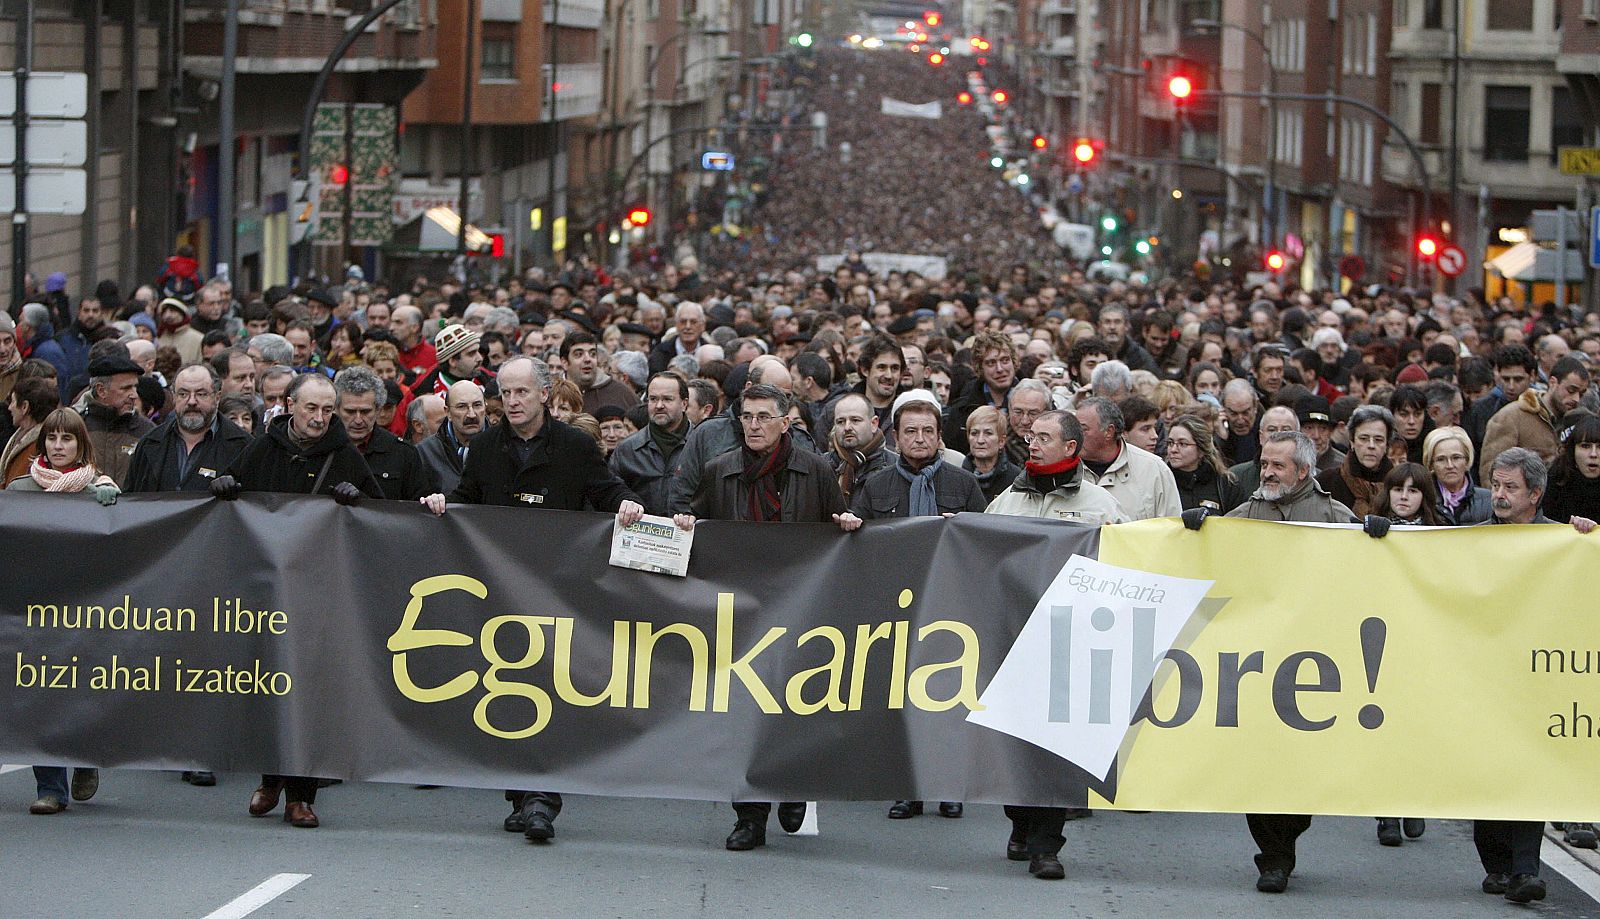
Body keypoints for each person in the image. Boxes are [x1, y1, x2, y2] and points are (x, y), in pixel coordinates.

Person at [420, 356, 644, 845]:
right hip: (500, 594)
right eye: (506, 392)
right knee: (508, 689)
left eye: (522, 392)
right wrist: (443, 505)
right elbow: (466, 501)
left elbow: (607, 492)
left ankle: (543, 797)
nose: (513, 401)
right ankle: (521, 794)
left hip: (558, 590)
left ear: (545, 394)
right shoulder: (484, 448)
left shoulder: (576, 446)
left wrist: (627, 504)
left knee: (550, 691)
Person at [669, 383, 860, 852]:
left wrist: (846, 524)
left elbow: (838, 523)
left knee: (793, 705)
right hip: (742, 607)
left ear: (784, 422)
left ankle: (792, 787)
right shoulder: (719, 471)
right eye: (747, 417)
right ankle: (749, 816)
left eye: (762, 417)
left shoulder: (814, 469)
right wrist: (684, 525)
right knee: (744, 712)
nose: (753, 425)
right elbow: (695, 522)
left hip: (799, 605)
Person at [1187, 432, 1375, 894]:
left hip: (1315, 668)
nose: (1266, 473)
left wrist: (1379, 538)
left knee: (1302, 770)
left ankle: (1286, 838)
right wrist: (1192, 529)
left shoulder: (1333, 516)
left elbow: (1375, 569)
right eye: (1263, 464)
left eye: (1277, 466)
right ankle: (1273, 857)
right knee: (1261, 765)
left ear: (1303, 472)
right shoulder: (1247, 513)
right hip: (1259, 666)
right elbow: (1206, 552)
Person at [209, 373, 383, 829]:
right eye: (312, 409)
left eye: (329, 410)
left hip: (323, 593)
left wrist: (357, 498)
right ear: (290, 405)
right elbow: (234, 494)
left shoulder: (344, 455)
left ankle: (301, 795)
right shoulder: (263, 448)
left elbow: (382, 515)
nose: (320, 419)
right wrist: (227, 487)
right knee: (269, 686)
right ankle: (270, 779)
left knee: (313, 692)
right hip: (267, 589)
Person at [984, 408, 1124, 881]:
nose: (1033, 442)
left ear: (1071, 448)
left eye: (1044, 436)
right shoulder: (1007, 499)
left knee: (1056, 747)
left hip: (1071, 640)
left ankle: (1048, 846)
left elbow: (1129, 556)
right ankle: (1019, 822)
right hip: (1014, 636)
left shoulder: (1100, 504)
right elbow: (976, 548)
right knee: (1013, 743)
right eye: (1030, 435)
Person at [850, 390, 984, 822]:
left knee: (950, 698)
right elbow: (856, 544)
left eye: (928, 431)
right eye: (911, 431)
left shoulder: (963, 484)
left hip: (952, 605)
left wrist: (965, 528)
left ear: (940, 436)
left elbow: (987, 540)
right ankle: (906, 787)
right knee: (900, 699)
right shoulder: (876, 485)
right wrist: (852, 525)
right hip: (897, 606)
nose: (920, 438)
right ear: (895, 437)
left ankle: (950, 786)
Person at [1471, 447, 1596, 901]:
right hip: (1484, 678)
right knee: (1486, 772)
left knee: (1528, 771)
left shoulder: (1559, 541)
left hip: (1536, 677)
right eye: (1496, 486)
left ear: (1536, 493)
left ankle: (1526, 870)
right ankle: (1498, 865)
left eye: (1510, 488)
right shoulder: (1474, 540)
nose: (1499, 496)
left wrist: (1585, 537)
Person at [7, 408, 118, 814]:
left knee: (83, 693)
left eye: (67, 439)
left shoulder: (100, 491)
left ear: (80, 444)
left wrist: (114, 505)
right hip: (34, 611)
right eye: (51, 438)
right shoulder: (19, 490)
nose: (58, 446)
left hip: (86, 611)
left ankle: (86, 760)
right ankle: (50, 787)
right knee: (42, 697)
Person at [1481, 356, 1590, 481]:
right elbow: (1490, 471)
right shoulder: (1511, 416)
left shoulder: (1579, 421)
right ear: (1553, 382)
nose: (1576, 398)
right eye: (1571, 390)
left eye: (1581, 394)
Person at [334, 366, 434, 501]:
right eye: (350, 412)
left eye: (365, 412)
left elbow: (418, 509)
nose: (358, 420)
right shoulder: (321, 449)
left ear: (378, 410)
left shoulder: (403, 453)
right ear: (336, 409)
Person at [1074, 396, 1181, 521]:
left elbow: (1173, 527)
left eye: (1083, 429)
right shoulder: (1064, 469)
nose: (1075, 435)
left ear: (1109, 431)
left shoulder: (1154, 469)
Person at [608, 372, 692, 516]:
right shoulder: (628, 450)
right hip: (641, 534)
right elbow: (610, 493)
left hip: (690, 533)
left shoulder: (701, 445)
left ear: (684, 404)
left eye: (667, 399)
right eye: (653, 399)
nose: (659, 406)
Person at [79, 354, 155, 487]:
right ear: (101, 390)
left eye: (135, 387)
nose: (134, 395)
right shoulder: (76, 426)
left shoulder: (148, 431)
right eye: (126, 388)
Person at [1318, 405, 1396, 518]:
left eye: (1378, 440)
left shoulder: (1398, 483)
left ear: (1387, 445)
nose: (1371, 445)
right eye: (1363, 438)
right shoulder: (1326, 482)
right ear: (1352, 442)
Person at [417, 379, 486, 496]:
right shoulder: (425, 453)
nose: (471, 414)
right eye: (462, 407)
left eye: (477, 405)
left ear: (485, 407)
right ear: (447, 412)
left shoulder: (503, 444)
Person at [1165, 414, 1244, 513]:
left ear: (1201, 450)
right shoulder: (1162, 481)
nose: (1173, 450)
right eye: (1170, 443)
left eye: (1183, 444)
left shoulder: (1225, 484)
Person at [828, 392, 894, 501]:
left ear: (874, 424)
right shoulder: (821, 467)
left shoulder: (894, 467)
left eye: (855, 420)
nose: (847, 427)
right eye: (840, 422)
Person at [1422, 426, 1491, 525]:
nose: (1450, 466)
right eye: (1441, 459)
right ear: (1431, 464)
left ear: (1467, 460)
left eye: (1456, 458)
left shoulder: (1488, 499)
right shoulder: (1422, 499)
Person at [1543, 413, 1600, 527]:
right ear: (1573, 450)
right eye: (1585, 446)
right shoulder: (1555, 480)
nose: (1593, 454)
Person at [564, 331, 640, 414]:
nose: (587, 359)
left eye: (592, 354)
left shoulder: (622, 394)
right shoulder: (551, 392)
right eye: (578, 354)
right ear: (565, 362)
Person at [3, 377, 60, 486]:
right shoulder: (20, 436)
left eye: (13, 401)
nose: (9, 408)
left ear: (25, 407)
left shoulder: (43, 445)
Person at [413, 324, 495, 397]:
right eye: (471, 354)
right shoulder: (426, 393)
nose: (480, 358)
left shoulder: (491, 382)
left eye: (478, 351)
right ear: (452, 361)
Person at [962, 405, 1019, 502]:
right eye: (974, 433)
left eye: (988, 433)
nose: (980, 440)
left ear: (1001, 441)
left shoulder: (1016, 479)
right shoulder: (956, 477)